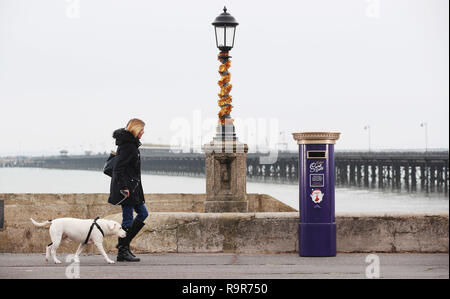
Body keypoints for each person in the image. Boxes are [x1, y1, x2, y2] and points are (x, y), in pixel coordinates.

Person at [108, 118, 148, 262]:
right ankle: (123, 251)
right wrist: (124, 187)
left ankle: (124, 247)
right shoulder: (127, 146)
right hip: (127, 189)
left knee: (143, 213)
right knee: (128, 219)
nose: (143, 132)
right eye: (142, 129)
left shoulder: (131, 144)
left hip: (133, 188)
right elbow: (118, 168)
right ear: (135, 129)